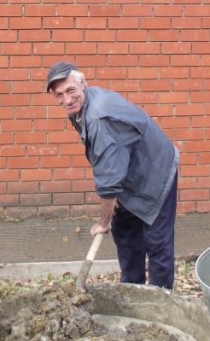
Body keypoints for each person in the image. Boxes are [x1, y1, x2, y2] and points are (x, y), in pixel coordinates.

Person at [46, 61, 180, 289]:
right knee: (126, 234)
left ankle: (160, 304)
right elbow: (111, 163)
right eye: (59, 95)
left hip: (156, 172)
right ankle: (131, 290)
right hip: (129, 173)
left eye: (70, 91)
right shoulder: (83, 105)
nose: (66, 99)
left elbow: (108, 184)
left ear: (82, 84)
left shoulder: (98, 119)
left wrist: (103, 222)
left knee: (157, 243)